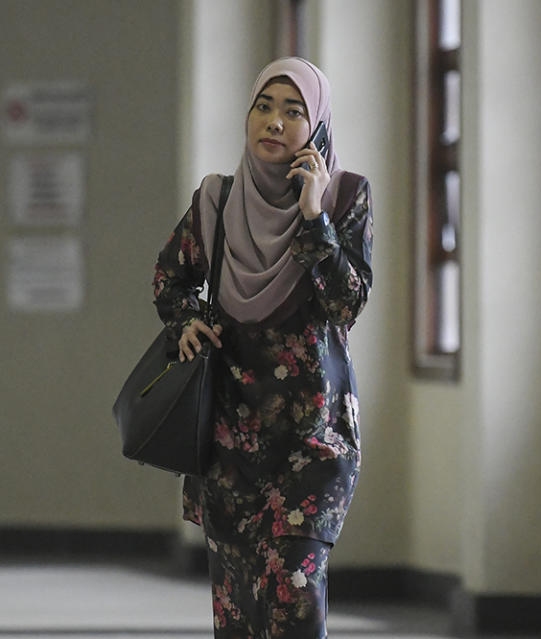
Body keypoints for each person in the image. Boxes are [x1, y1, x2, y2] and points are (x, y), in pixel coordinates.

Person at [153, 57, 372, 638]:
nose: (274, 122)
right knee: (239, 613)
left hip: (314, 444)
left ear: (316, 126)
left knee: (297, 598)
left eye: (293, 111)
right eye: (264, 107)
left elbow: (345, 306)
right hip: (229, 441)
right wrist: (186, 324)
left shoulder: (346, 197)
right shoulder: (216, 202)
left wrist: (313, 216)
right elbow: (169, 279)